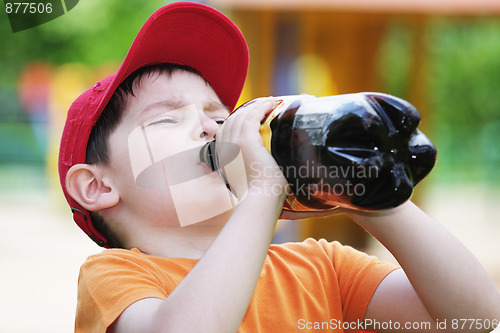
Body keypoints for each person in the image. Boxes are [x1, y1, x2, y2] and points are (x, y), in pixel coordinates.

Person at [58, 2, 500, 333]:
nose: (213, 129)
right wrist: (261, 196)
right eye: (168, 118)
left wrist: (367, 197)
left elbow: (471, 317)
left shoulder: (321, 267)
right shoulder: (115, 278)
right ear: (96, 186)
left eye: (219, 116)